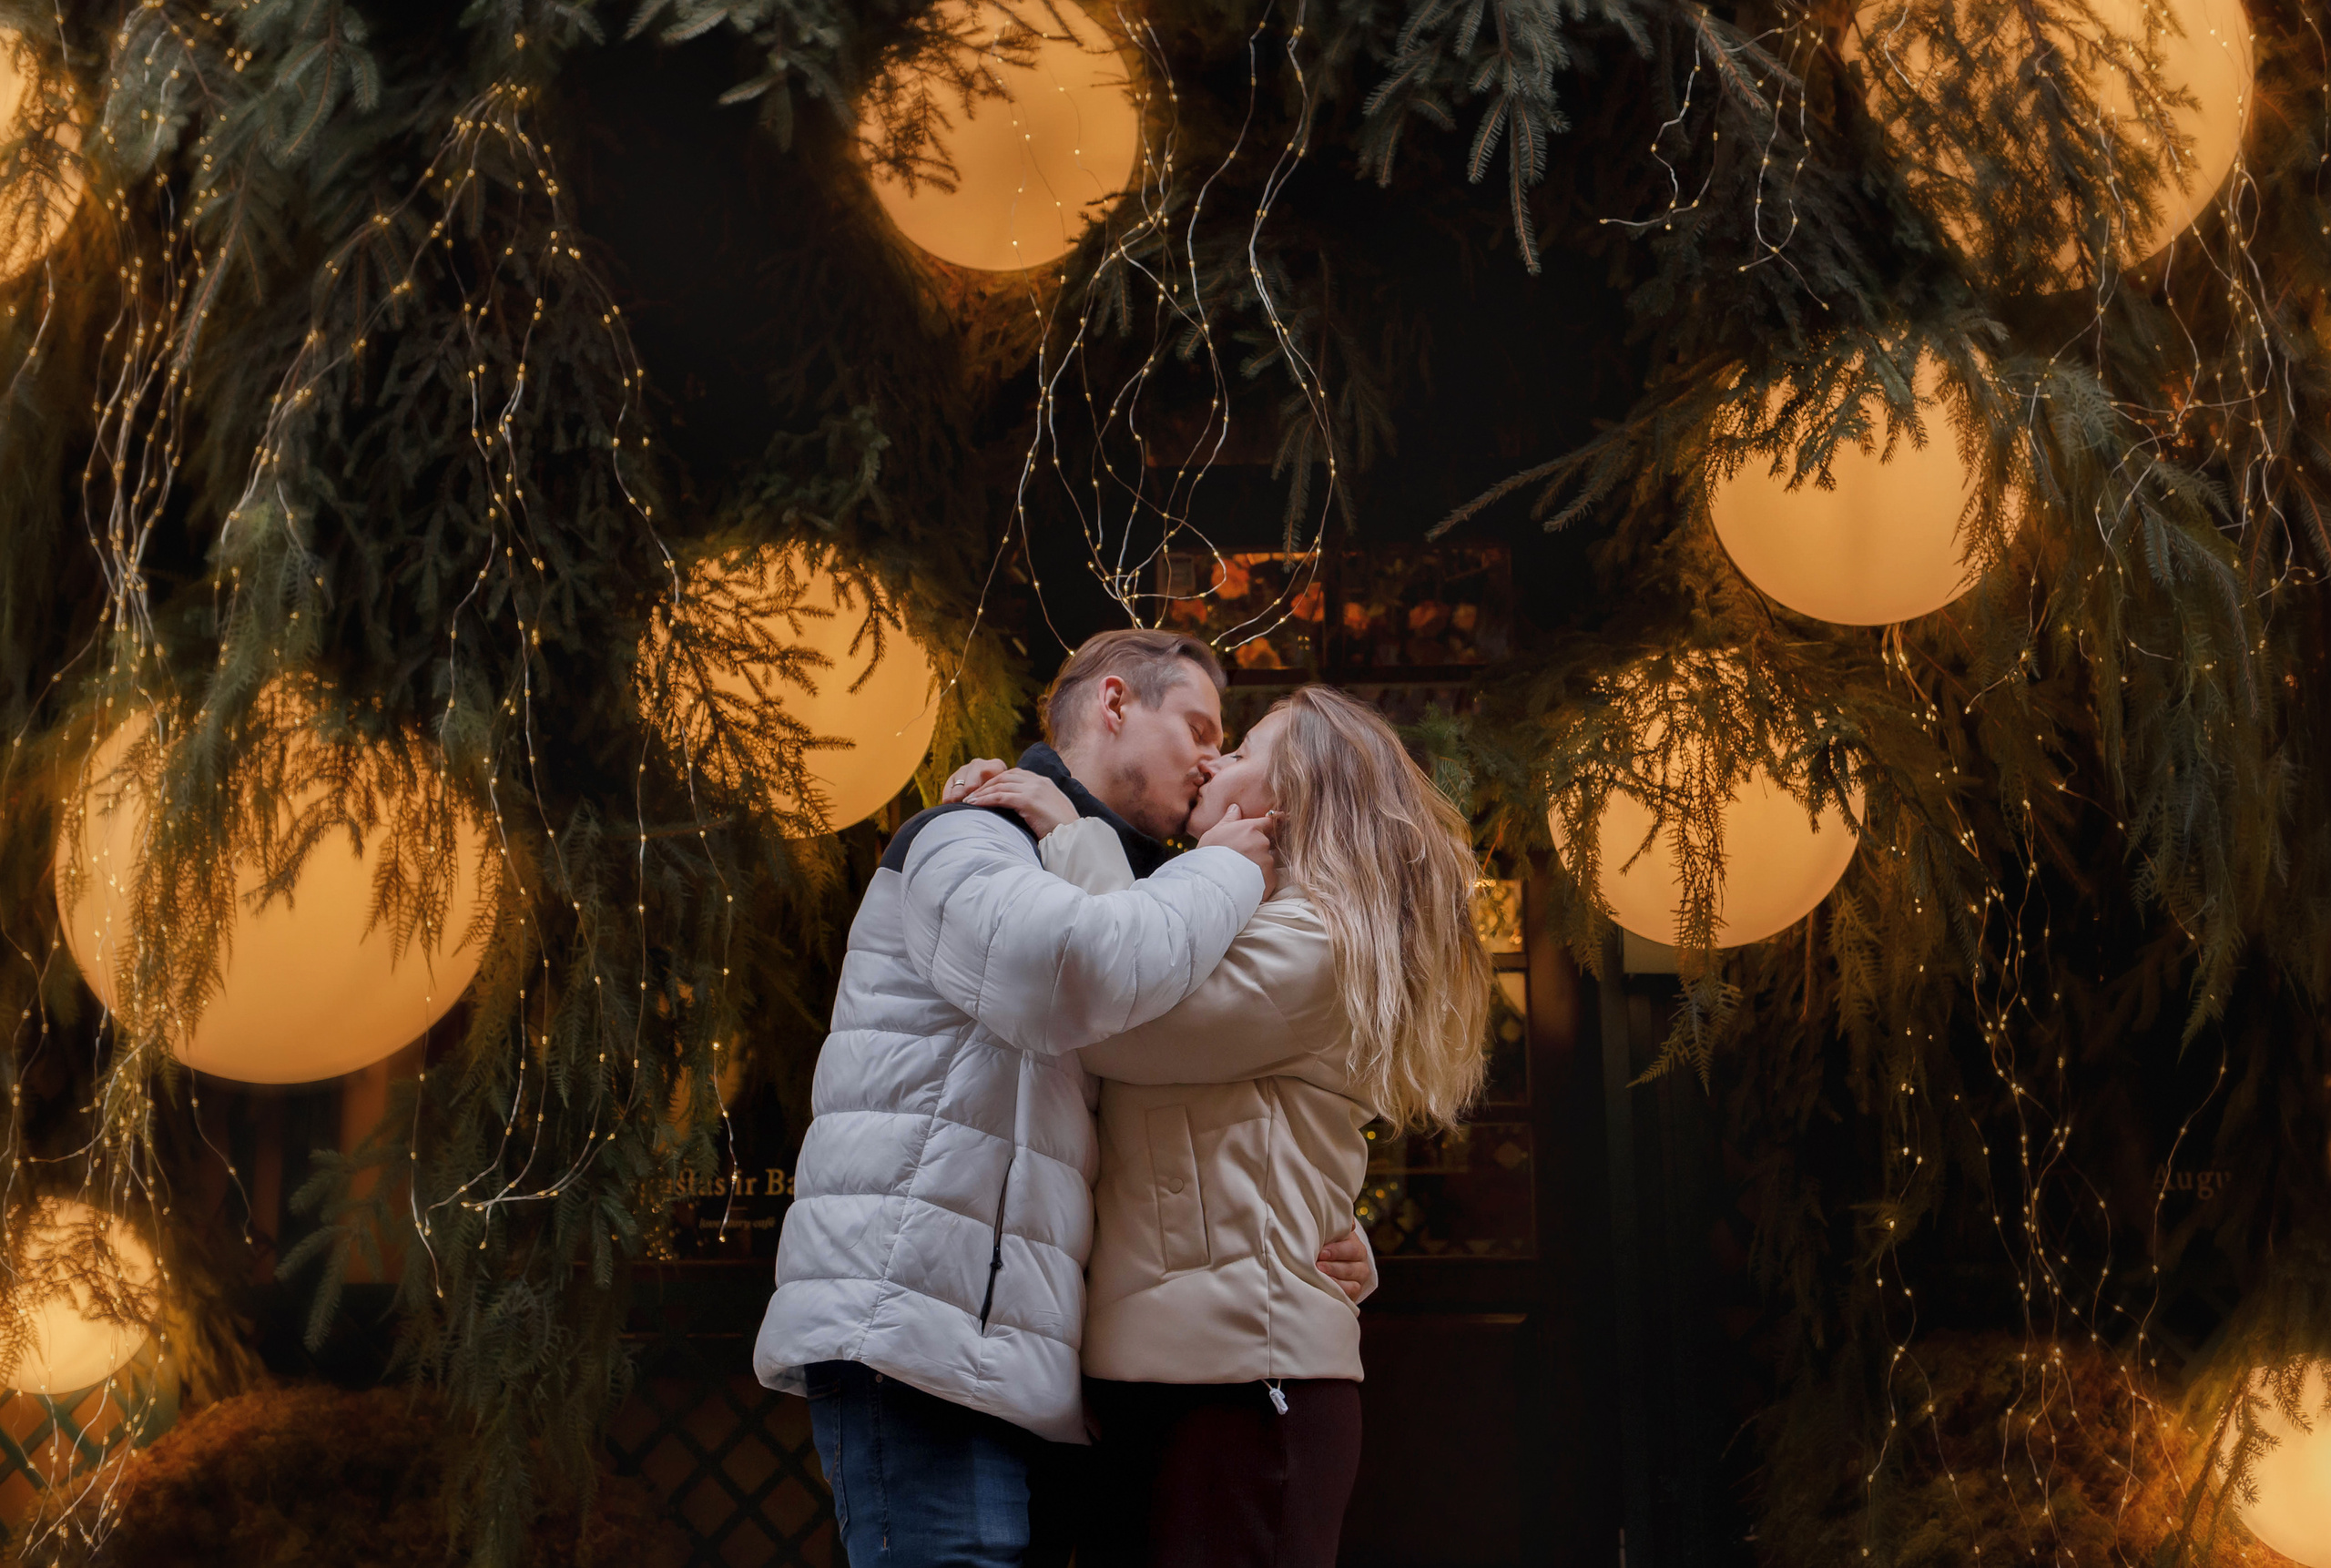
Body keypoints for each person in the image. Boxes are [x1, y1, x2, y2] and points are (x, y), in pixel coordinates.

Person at [754, 629, 1373, 1568]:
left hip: (1020, 1357)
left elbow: (1188, 1104)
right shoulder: (973, 833)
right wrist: (1231, 865)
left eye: (1232, 744)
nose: (1214, 758)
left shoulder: (1128, 896)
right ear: (1116, 703)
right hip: (922, 1331)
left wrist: (1314, 1218)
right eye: (1201, 727)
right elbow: (1068, 980)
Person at [952, 684, 1491, 1568]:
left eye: (1238, 749)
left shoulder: (1316, 942)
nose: (1212, 759)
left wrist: (1067, 833)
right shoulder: (1236, 919)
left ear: (1289, 797)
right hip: (1162, 1379)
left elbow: (1125, 1024)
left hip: (1243, 1382)